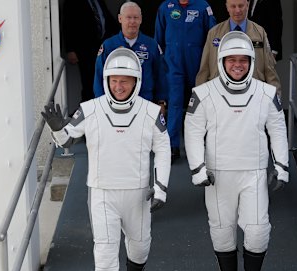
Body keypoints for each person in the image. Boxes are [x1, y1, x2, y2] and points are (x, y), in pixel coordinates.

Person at [42, 48, 171, 271]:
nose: (119, 86)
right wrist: (56, 128)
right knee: (105, 248)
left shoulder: (151, 112)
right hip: (102, 192)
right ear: (106, 79)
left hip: (138, 192)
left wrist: (160, 187)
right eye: (114, 80)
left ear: (136, 81)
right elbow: (66, 141)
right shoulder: (90, 109)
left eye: (125, 80)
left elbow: (163, 149)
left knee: (139, 247)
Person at [184, 31, 289, 271]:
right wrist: (198, 168)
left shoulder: (267, 93)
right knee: (222, 231)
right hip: (218, 176)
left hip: (253, 173)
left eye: (244, 60)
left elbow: (277, 129)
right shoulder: (203, 94)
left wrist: (281, 165)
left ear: (252, 61)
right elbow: (193, 132)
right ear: (222, 61)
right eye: (232, 60)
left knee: (257, 231)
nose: (238, 65)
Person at [154, 0, 217, 161]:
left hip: (197, 65)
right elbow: (158, 40)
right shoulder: (165, 7)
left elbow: (212, 37)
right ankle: (172, 146)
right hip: (174, 64)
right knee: (174, 103)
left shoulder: (203, 7)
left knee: (200, 105)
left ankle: (201, 144)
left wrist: (209, 63)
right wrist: (163, 62)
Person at [94, 2, 168, 115]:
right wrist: (101, 104)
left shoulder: (152, 45)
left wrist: (161, 102)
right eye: (128, 17)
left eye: (136, 17)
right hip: (115, 106)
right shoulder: (109, 46)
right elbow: (99, 77)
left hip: (145, 104)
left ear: (141, 19)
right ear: (120, 18)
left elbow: (160, 76)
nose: (132, 21)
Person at [195, 0, 281, 95]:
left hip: (253, 94)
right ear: (227, 7)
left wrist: (276, 98)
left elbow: (270, 70)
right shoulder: (214, 33)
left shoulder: (259, 33)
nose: (237, 10)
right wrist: (199, 96)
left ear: (247, 6)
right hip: (219, 93)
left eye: (241, 6)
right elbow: (205, 68)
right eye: (233, 6)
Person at [62, 0, 119, 102]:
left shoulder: (98, 1)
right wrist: (70, 50)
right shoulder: (71, 2)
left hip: (102, 47)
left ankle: (103, 109)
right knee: (89, 82)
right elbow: (67, 24)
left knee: (104, 81)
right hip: (85, 49)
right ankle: (88, 112)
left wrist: (122, 35)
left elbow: (107, 19)